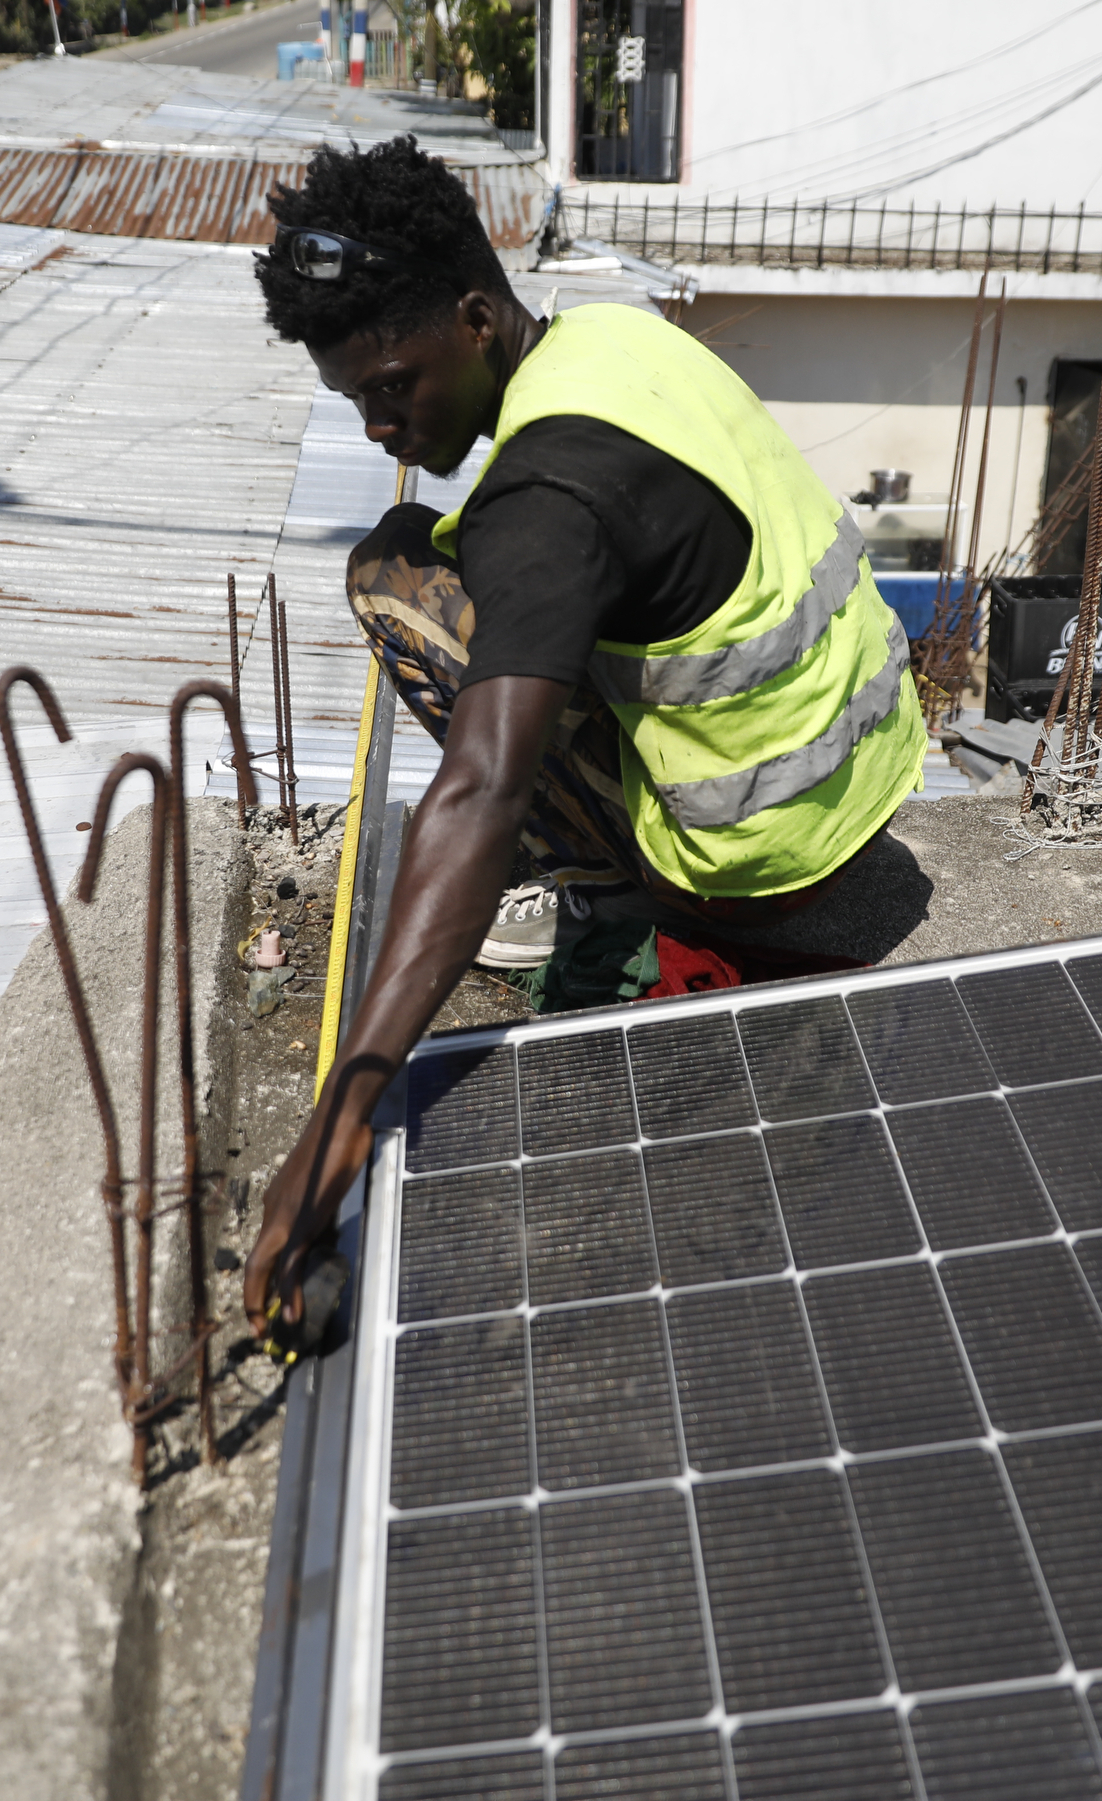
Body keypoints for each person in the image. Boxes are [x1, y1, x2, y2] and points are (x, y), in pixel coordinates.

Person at [240, 136, 924, 1341]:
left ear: (474, 318)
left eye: (393, 386)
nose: (379, 426)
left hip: (755, 866)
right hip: (864, 779)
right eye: (356, 401)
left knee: (395, 574)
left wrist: (338, 1125)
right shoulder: (615, 339)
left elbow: (477, 794)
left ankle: (614, 892)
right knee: (444, 553)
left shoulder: (542, 507)